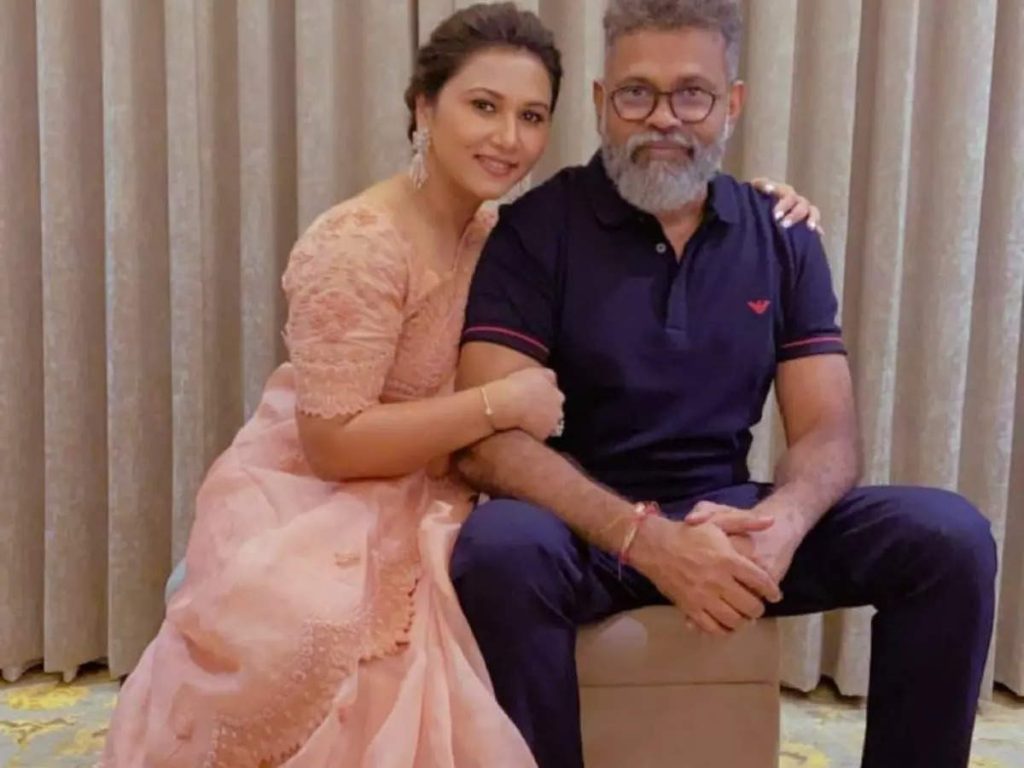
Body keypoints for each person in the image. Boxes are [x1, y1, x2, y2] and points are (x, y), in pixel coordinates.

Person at [100, 3, 818, 767]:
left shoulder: (493, 231)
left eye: (530, 116)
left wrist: (752, 203)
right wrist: (496, 403)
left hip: (440, 481)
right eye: (483, 106)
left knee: (492, 568)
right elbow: (331, 442)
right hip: (333, 488)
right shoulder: (357, 243)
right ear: (424, 108)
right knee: (348, 634)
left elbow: (672, 188)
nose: (508, 138)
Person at [451, 2, 998, 768]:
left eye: (692, 94)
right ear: (603, 101)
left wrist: (782, 521)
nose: (663, 118)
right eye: (637, 93)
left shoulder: (782, 234)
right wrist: (648, 541)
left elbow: (827, 431)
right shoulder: (535, 229)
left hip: (729, 517)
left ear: (732, 103)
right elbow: (489, 445)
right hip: (583, 529)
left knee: (950, 539)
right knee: (499, 548)